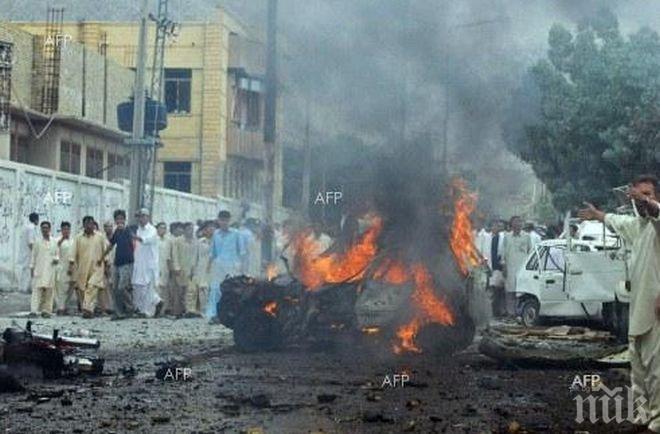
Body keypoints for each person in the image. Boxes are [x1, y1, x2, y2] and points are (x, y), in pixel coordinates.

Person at [578, 174, 660, 433]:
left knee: (657, 367)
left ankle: (658, 421)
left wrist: (645, 200)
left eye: (649, 193)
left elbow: (655, 212)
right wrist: (597, 214)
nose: (643, 199)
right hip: (638, 306)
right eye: (639, 194)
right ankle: (641, 416)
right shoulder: (637, 225)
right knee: (637, 366)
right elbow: (615, 220)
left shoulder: (657, 223)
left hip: (658, 307)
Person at [206, 210, 247, 322]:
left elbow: (242, 252)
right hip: (219, 266)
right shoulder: (216, 234)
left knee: (232, 290)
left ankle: (232, 314)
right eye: (221, 220)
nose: (224, 222)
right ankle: (214, 314)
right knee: (215, 289)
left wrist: (242, 268)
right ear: (218, 221)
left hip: (232, 266)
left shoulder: (237, 234)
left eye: (226, 220)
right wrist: (208, 267)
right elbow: (212, 253)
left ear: (229, 221)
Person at [101, 210, 135, 319]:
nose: (119, 221)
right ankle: (118, 312)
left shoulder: (128, 230)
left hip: (127, 263)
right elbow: (111, 245)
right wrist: (102, 257)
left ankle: (130, 307)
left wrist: (124, 230)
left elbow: (133, 241)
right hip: (117, 263)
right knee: (115, 288)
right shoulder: (116, 232)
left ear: (124, 220)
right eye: (117, 219)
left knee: (121, 288)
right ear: (115, 220)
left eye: (121, 219)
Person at [72, 216, 107, 318]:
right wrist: (71, 265)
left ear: (93, 224)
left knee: (92, 286)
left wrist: (107, 264)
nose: (89, 226)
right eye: (87, 224)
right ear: (83, 225)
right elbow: (73, 253)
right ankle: (88, 309)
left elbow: (105, 251)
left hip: (97, 268)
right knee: (83, 289)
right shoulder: (78, 238)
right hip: (83, 268)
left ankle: (88, 309)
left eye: (91, 223)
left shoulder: (100, 237)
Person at [131, 208, 162, 317]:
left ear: (148, 217)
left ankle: (145, 311)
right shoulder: (138, 230)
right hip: (139, 261)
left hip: (149, 263)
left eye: (144, 216)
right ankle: (156, 302)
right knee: (138, 286)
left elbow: (146, 240)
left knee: (146, 287)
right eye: (140, 216)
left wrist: (136, 237)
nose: (142, 218)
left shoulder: (152, 230)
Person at [502, 216, 532, 316]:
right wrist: (504, 266)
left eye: (519, 222)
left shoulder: (526, 236)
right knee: (509, 291)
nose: (517, 224)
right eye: (515, 222)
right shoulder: (507, 236)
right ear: (511, 224)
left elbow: (530, 252)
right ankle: (510, 313)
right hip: (510, 267)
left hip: (522, 268)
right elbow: (503, 253)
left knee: (521, 291)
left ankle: (519, 313)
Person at [172, 222, 201, 318]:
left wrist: (195, 268)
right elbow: (175, 255)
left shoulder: (196, 241)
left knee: (191, 290)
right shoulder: (177, 241)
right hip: (180, 268)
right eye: (188, 229)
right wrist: (176, 267)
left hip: (191, 269)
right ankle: (178, 311)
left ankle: (190, 310)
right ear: (184, 230)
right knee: (179, 291)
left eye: (192, 229)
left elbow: (197, 256)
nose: (191, 231)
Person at [30, 221, 59, 317]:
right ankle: (33, 311)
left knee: (49, 291)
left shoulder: (54, 242)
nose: (44, 229)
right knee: (36, 291)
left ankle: (46, 311)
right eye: (43, 228)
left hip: (50, 270)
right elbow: (33, 256)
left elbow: (57, 255)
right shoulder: (37, 242)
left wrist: (56, 259)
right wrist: (32, 268)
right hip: (39, 269)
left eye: (46, 227)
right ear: (41, 229)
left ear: (50, 229)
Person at [55, 221, 76, 315]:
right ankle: (61, 308)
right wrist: (62, 240)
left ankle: (65, 306)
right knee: (62, 289)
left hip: (73, 267)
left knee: (70, 288)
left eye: (68, 229)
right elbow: (54, 251)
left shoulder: (73, 241)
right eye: (64, 229)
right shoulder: (57, 240)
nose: (66, 231)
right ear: (61, 230)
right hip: (62, 267)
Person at [18, 212, 39, 293]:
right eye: (37, 219)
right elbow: (31, 242)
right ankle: (26, 288)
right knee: (28, 270)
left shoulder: (26, 227)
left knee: (25, 270)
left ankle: (23, 287)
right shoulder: (31, 228)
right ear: (35, 219)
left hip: (25, 252)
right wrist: (35, 253)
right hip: (29, 253)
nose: (38, 221)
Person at [156, 221, 174, 315]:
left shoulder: (169, 240)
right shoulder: (155, 239)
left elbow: (170, 256)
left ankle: (164, 309)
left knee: (165, 288)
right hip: (156, 265)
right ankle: (156, 309)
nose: (163, 230)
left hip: (165, 266)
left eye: (164, 228)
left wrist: (170, 268)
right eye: (161, 228)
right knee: (157, 287)